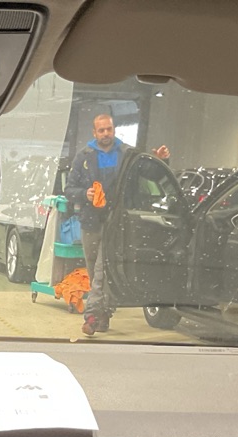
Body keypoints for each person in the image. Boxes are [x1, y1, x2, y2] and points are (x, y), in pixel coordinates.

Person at [66, 113, 169, 336]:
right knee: (94, 270)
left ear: (114, 130)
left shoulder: (128, 154)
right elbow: (69, 189)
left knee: (103, 270)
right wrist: (85, 194)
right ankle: (104, 314)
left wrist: (160, 161)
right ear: (94, 133)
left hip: (117, 223)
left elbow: (149, 175)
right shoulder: (83, 157)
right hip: (91, 222)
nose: (106, 134)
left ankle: (92, 316)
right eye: (101, 130)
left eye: (109, 129)